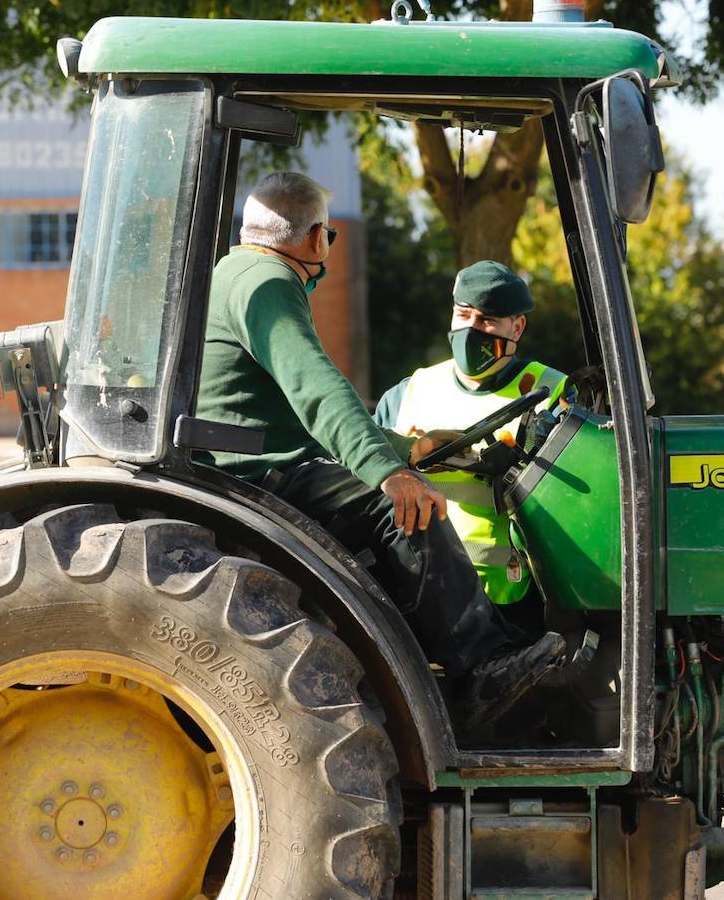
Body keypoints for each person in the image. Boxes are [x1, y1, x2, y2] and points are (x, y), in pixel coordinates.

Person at [194, 172, 566, 732]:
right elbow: (316, 388)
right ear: (318, 238)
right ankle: (480, 669)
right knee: (408, 508)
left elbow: (291, 410)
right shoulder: (268, 281)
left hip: (252, 457)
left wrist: (408, 447)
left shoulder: (232, 272)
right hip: (258, 472)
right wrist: (391, 472)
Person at [374, 260, 567, 607]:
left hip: (520, 594)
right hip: (420, 592)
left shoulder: (553, 392)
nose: (470, 329)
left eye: (486, 320)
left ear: (517, 327)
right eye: (463, 315)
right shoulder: (410, 393)